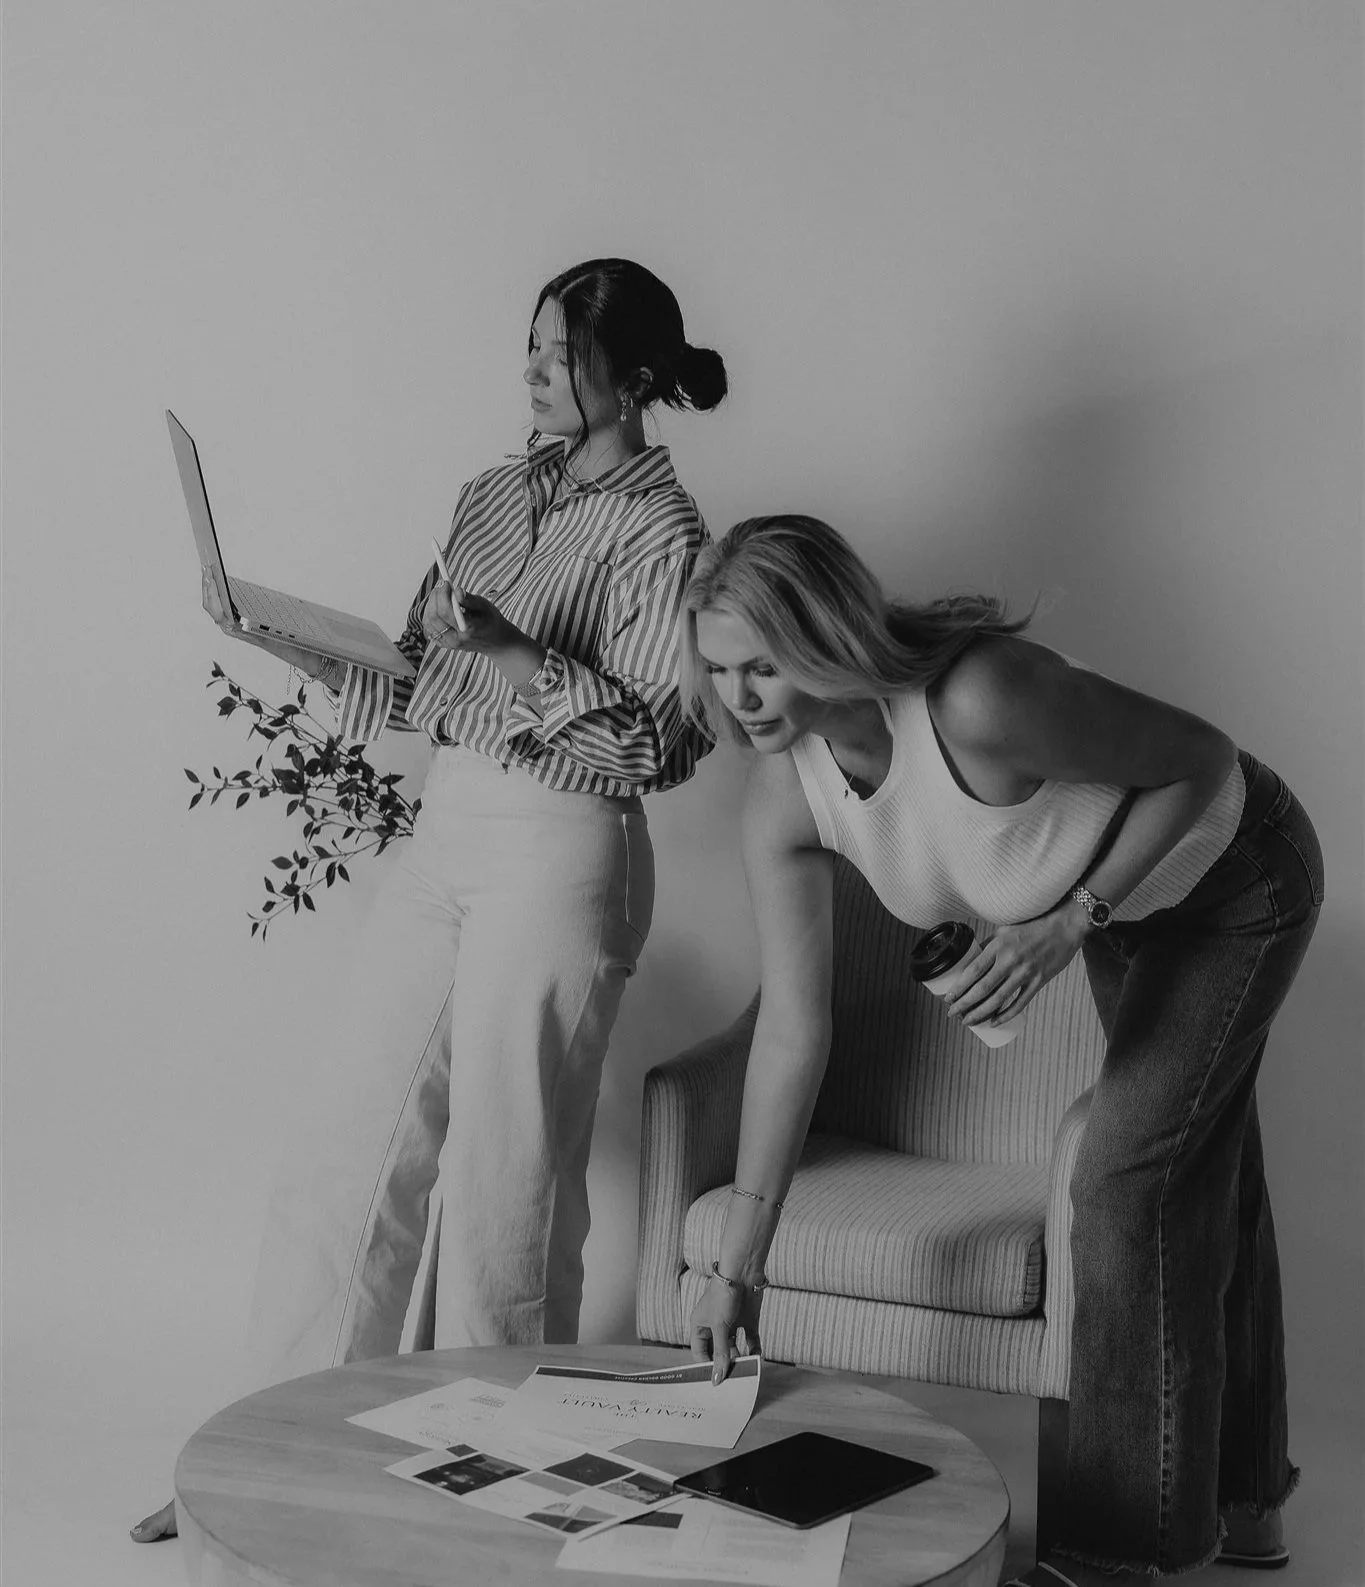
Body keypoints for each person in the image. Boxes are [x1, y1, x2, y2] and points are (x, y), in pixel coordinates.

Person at [132, 258, 727, 1542]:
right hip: (449, 823)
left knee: (504, 1191)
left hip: (568, 844)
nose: (526, 370)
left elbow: (659, 751)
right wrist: (304, 648)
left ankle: (490, 1513)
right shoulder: (486, 496)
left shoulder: (669, 539)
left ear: (628, 380)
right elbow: (421, 676)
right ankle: (271, 1463)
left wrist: (516, 652)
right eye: (524, 345)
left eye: (552, 351)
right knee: (343, 1159)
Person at [678, 515, 1321, 1584]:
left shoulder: (976, 698)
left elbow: (1201, 760)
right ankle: (1249, 1503)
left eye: (761, 667)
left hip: (1236, 876)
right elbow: (796, 1028)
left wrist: (1072, 921)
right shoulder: (786, 793)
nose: (738, 699)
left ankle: (1120, 1555)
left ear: (827, 638)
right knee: (1192, 1170)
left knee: (1123, 1181)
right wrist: (739, 1261)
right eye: (716, 670)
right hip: (1125, 908)